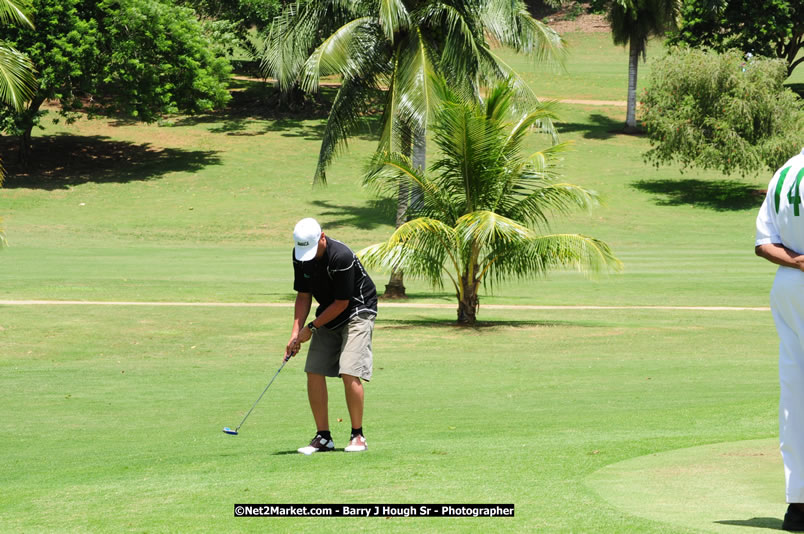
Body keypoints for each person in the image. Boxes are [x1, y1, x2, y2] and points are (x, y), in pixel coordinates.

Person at [285, 217, 378, 455]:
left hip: (358, 310)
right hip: (328, 312)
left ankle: (358, 435)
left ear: (323, 237)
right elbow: (303, 295)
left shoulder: (341, 256)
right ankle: (323, 437)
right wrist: (295, 334)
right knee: (314, 369)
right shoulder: (300, 256)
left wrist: (311, 328)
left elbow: (342, 303)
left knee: (349, 370)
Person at [755, 147, 804, 531]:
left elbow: (763, 243)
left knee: (795, 392)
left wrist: (797, 261)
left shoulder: (785, 172)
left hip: (789, 285)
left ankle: (798, 504)